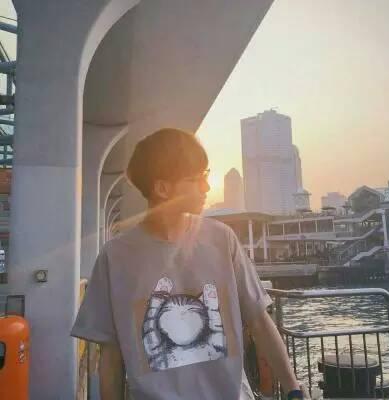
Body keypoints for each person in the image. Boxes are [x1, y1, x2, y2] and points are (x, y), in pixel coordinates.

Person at [71, 128, 303, 400]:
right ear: (162, 188)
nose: (206, 187)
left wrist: (293, 390)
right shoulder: (115, 257)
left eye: (206, 175)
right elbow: (110, 357)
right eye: (195, 179)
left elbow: (259, 321)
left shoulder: (222, 239)